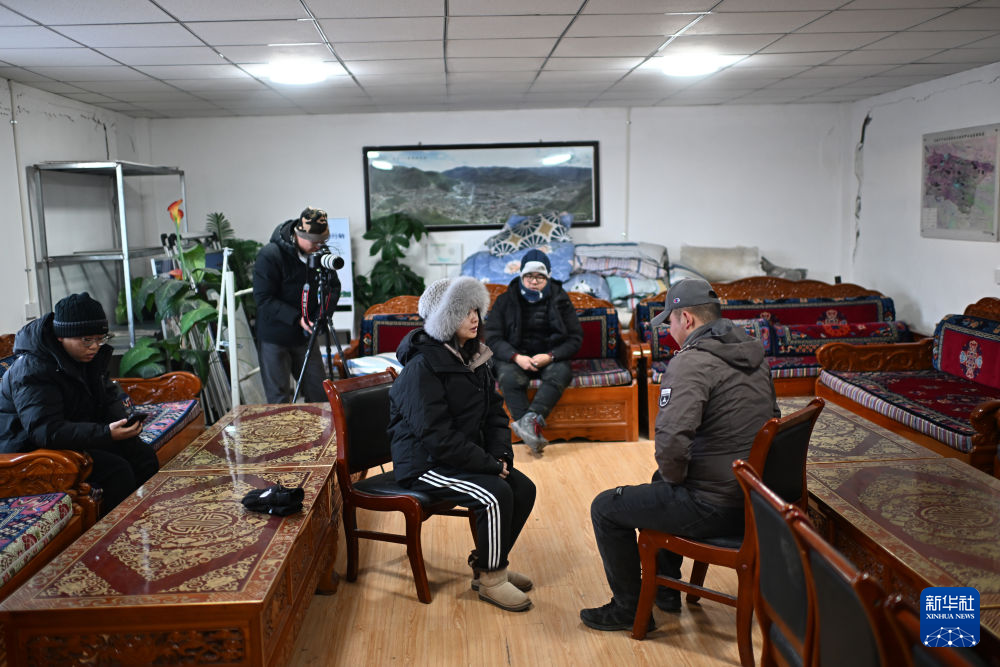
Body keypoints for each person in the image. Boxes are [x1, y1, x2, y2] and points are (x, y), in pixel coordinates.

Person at [581, 278, 779, 632]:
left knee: (606, 507)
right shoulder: (753, 354)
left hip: (716, 506)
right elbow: (773, 418)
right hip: (757, 500)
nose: (669, 331)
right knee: (661, 480)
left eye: (669, 322)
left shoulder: (692, 362)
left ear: (686, 319)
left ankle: (629, 609)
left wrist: (675, 484)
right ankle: (665, 589)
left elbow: (671, 442)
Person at [388, 276, 537, 612]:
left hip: (460, 456)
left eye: (475, 310)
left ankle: (488, 563)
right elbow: (437, 438)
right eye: (463, 311)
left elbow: (495, 414)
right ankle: (491, 579)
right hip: (425, 463)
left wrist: (501, 456)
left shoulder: (473, 358)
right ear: (443, 318)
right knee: (495, 495)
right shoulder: (422, 367)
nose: (474, 318)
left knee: (523, 488)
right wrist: (489, 466)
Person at [0, 292, 159, 514]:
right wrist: (105, 433)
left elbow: (106, 398)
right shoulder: (33, 369)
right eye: (87, 340)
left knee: (142, 455)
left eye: (100, 338)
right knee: (117, 471)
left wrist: (123, 424)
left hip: (67, 436)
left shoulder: (85, 358)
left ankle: (146, 520)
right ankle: (114, 532)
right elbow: (44, 430)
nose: (94, 346)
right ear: (61, 336)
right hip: (29, 453)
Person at [485, 249, 582, 455]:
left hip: (550, 357)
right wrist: (516, 357)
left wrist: (550, 356)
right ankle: (531, 430)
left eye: (540, 276)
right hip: (515, 358)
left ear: (548, 278)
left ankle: (527, 424)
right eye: (529, 276)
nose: (534, 281)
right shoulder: (505, 300)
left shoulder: (561, 299)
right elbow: (492, 338)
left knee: (561, 372)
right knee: (508, 377)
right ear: (521, 276)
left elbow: (575, 338)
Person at [253, 206, 330, 403]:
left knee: (319, 392)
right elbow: (263, 299)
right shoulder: (270, 255)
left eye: (322, 241)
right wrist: (297, 318)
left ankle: (321, 424)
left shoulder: (319, 253)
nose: (319, 246)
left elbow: (333, 287)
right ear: (299, 234)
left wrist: (322, 314)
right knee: (279, 398)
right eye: (314, 241)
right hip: (275, 336)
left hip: (305, 335)